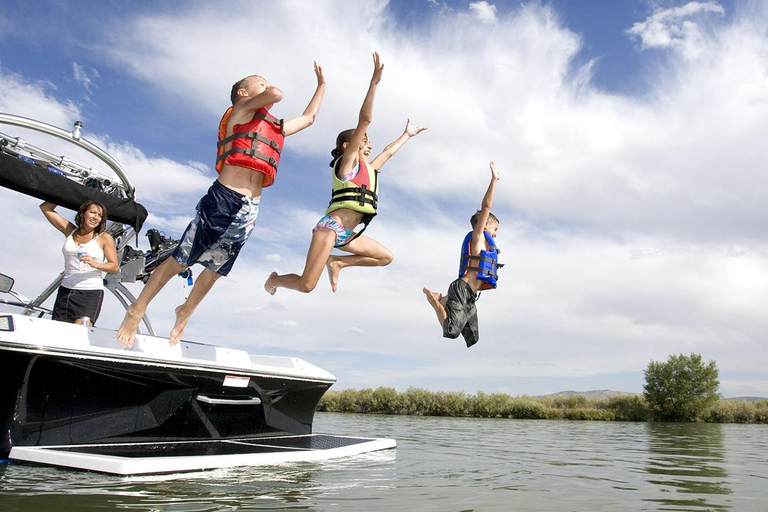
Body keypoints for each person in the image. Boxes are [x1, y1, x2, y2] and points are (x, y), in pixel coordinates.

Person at [117, 62, 326, 347]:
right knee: (181, 259)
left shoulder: (274, 127)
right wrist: (268, 91)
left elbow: (310, 118)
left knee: (216, 269)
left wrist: (321, 86)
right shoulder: (239, 113)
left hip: (250, 208)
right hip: (224, 199)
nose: (266, 86)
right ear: (243, 92)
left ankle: (185, 311)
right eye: (259, 83)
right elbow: (276, 94)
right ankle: (136, 309)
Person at [264, 52, 426, 295]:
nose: (369, 146)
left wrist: (407, 135)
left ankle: (337, 262)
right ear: (347, 146)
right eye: (364, 142)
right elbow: (365, 120)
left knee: (385, 257)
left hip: (347, 235)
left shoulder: (369, 169)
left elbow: (388, 151)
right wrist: (373, 84)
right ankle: (274, 279)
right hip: (330, 229)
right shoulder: (348, 164)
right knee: (306, 285)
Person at [423, 161, 501, 348]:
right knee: (451, 331)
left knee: (472, 338)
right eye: (495, 228)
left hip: (469, 295)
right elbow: (487, 206)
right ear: (485, 225)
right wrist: (494, 180)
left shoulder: (486, 245)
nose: (496, 233)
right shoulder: (478, 237)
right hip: (461, 289)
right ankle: (436, 301)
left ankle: (444, 298)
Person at [40, 200, 119, 326]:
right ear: (83, 213)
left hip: (89, 292)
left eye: (100, 215)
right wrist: (68, 189)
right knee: (59, 332)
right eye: (93, 212)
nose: (96, 217)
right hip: (65, 290)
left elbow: (114, 266)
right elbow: (45, 208)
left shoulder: (104, 238)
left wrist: (95, 264)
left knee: (78, 334)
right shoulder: (70, 231)